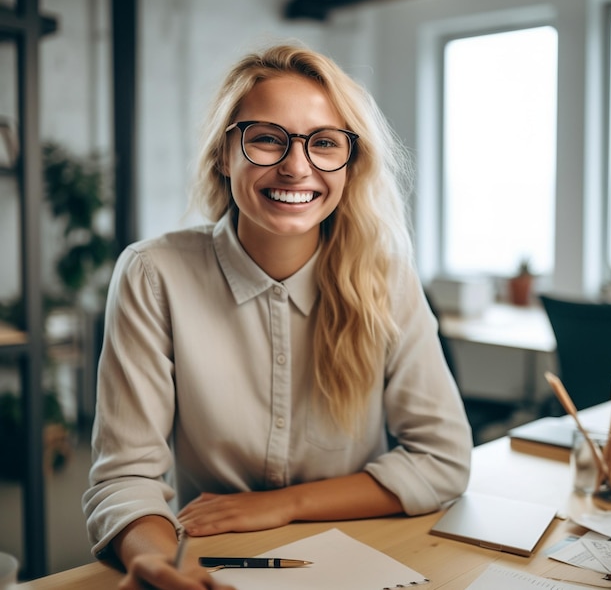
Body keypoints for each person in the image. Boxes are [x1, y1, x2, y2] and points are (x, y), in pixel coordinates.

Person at [83, 42, 472, 590]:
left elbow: (443, 461)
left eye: (324, 143)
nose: (296, 166)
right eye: (267, 138)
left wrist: (286, 505)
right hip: (208, 556)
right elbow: (125, 476)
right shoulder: (153, 273)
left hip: (363, 554)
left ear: (349, 163)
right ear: (225, 153)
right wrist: (160, 562)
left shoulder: (387, 276)